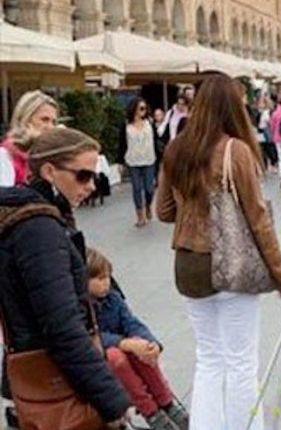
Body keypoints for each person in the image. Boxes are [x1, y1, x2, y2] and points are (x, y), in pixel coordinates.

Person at [156, 74, 281, 430]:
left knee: (208, 360)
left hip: (189, 264)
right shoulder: (236, 151)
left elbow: (163, 212)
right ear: (233, 107)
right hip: (231, 264)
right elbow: (258, 221)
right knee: (241, 364)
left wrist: (193, 207)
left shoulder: (176, 148)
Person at [0, 128, 130, 428]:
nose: (91, 186)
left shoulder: (28, 218)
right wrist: (111, 400)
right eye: (83, 176)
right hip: (57, 381)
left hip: (41, 378)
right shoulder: (38, 229)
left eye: (95, 176)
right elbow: (62, 325)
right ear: (49, 171)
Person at [87, 248, 188, 430]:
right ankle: (151, 412)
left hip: (124, 346)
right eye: (100, 279)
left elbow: (131, 322)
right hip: (102, 355)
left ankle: (167, 403)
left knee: (140, 348)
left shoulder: (113, 298)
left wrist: (150, 343)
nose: (106, 283)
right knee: (116, 358)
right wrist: (124, 343)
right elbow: (91, 337)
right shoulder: (83, 308)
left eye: (108, 277)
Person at [0, 90, 58, 187]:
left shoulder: (51, 156)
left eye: (54, 122)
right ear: (25, 120)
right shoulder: (5, 155)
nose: (50, 127)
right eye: (44, 120)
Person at [119, 97, 157, 227]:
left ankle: (148, 205)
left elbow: (156, 141)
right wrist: (120, 162)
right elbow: (122, 144)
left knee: (149, 188)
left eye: (145, 108)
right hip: (133, 160)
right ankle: (140, 216)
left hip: (149, 159)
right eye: (141, 108)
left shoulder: (150, 122)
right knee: (136, 188)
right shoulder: (126, 125)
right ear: (134, 109)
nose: (143, 111)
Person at [257, 96, 277, 173]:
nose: (259, 104)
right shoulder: (261, 112)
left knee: (267, 147)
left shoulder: (266, 112)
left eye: (261, 103)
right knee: (263, 148)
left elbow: (268, 122)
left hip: (264, 131)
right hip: (261, 131)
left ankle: (272, 163)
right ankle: (265, 164)